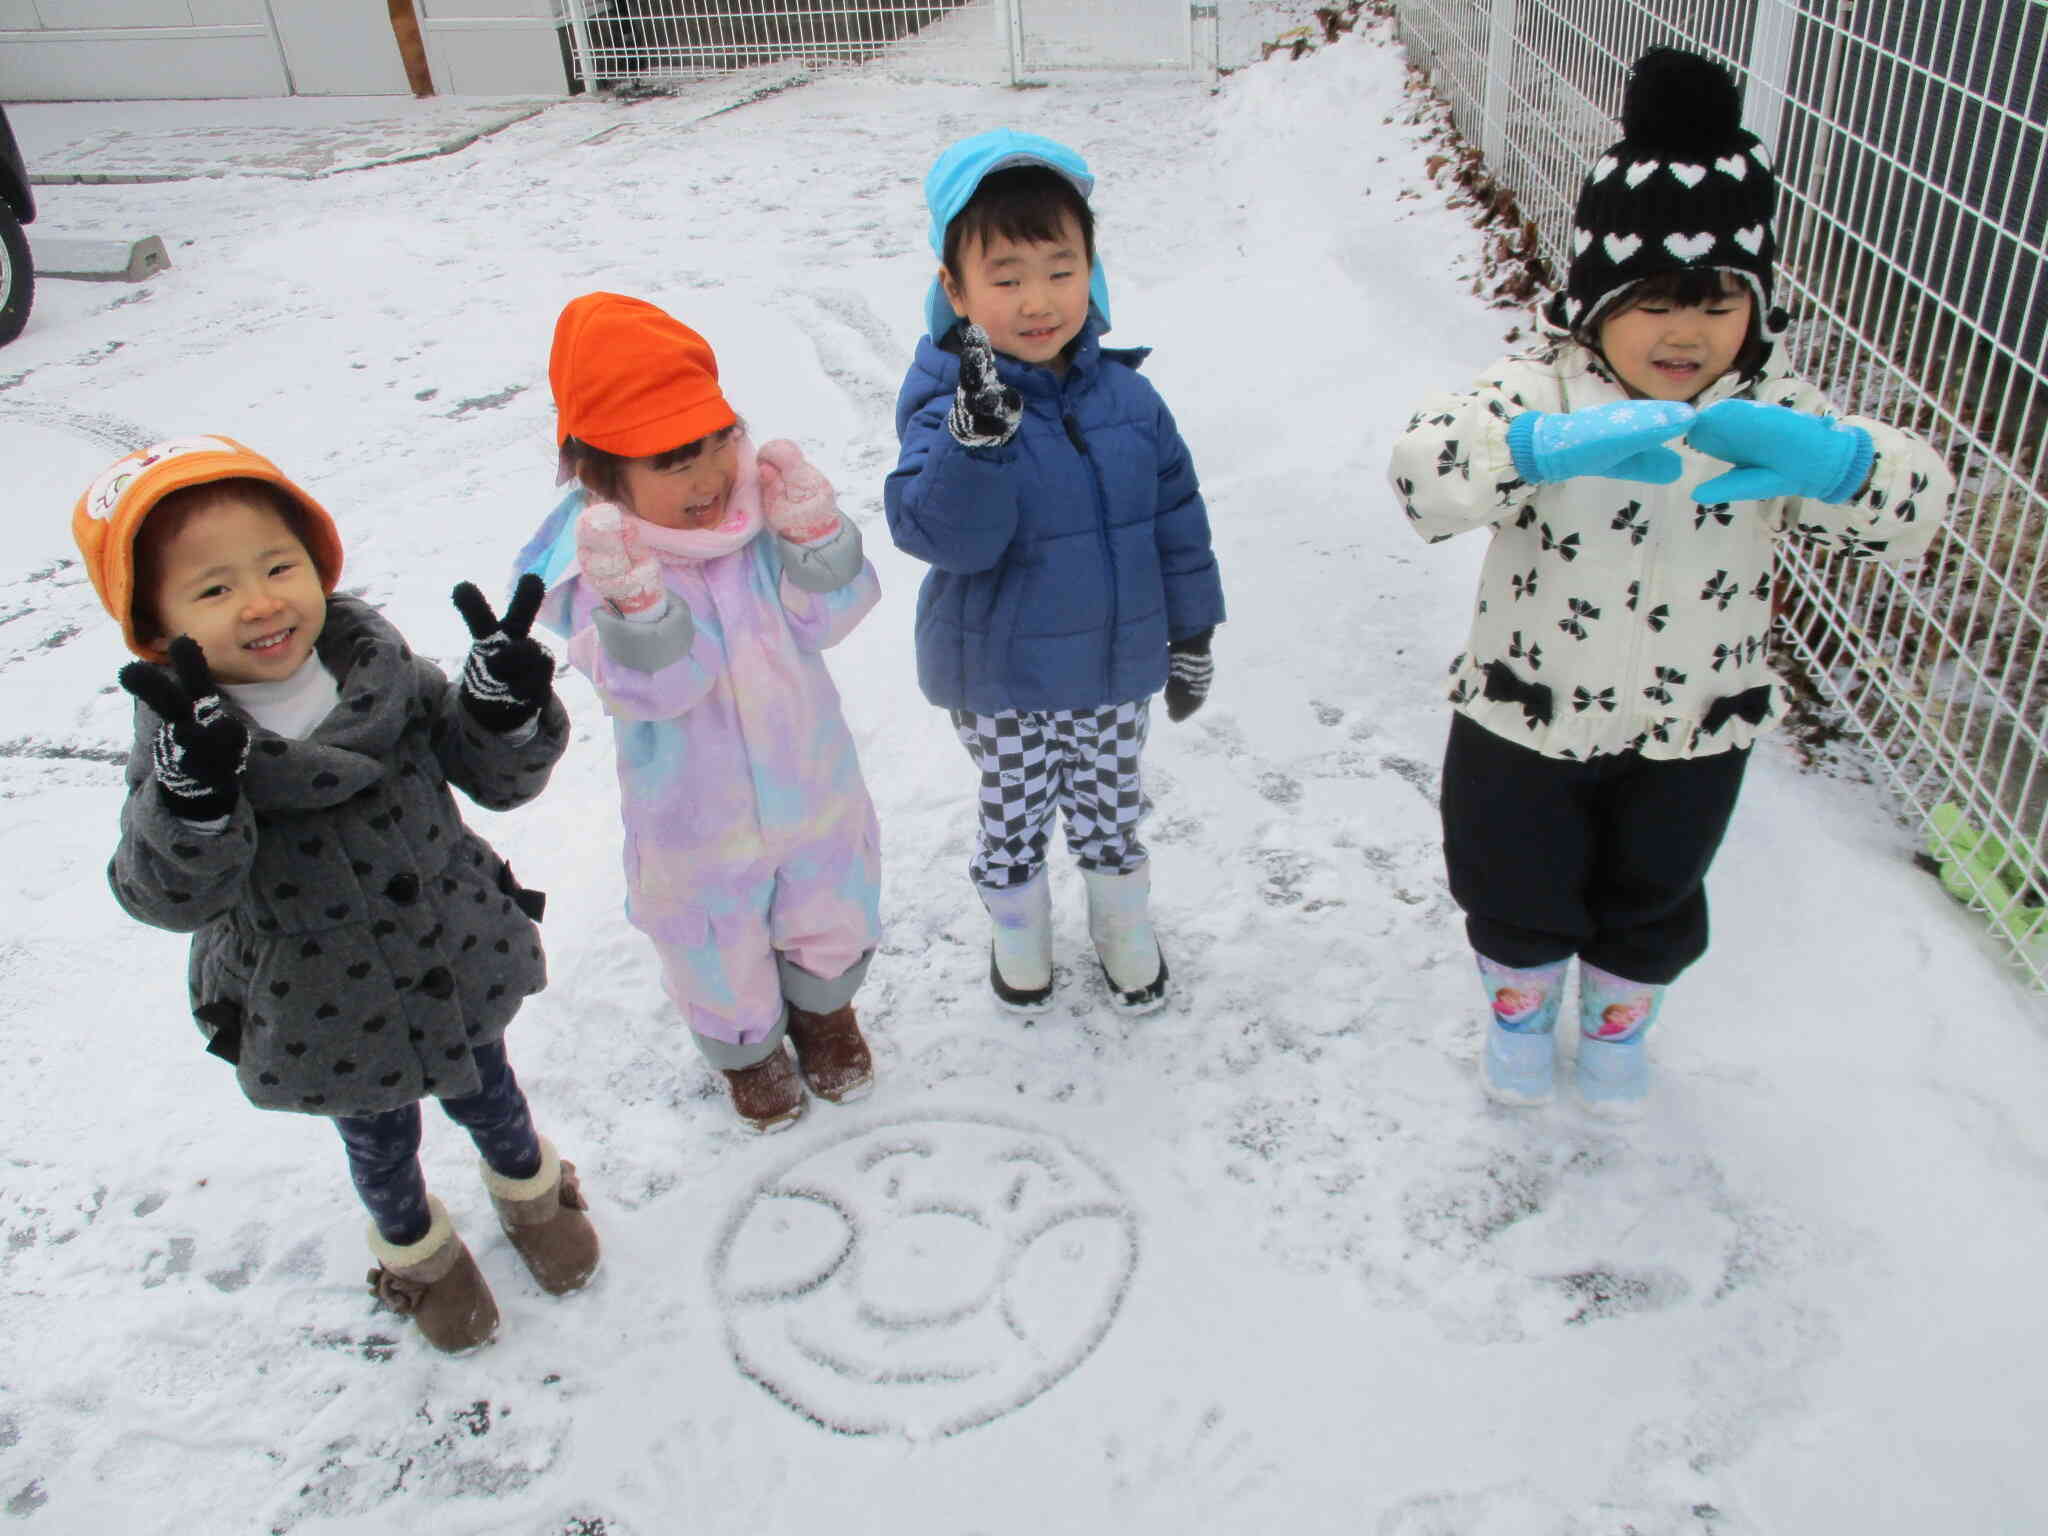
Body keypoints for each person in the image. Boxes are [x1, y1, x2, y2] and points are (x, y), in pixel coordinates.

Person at [1388, 48, 1953, 1114]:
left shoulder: (1774, 411)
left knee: (1653, 894)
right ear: (1591, 300)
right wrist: (1535, 450)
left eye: (1713, 302)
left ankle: (1613, 1039)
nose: (1683, 331)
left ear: (1756, 309)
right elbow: (1422, 475)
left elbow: (1913, 513)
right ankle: (1516, 1025)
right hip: (1526, 714)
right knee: (1510, 883)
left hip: (1694, 721)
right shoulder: (1540, 387)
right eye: (1648, 301)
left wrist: (1838, 467)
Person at [76, 435, 597, 1355]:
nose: (262, 602)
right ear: (157, 629)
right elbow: (161, 895)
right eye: (213, 590)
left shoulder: (379, 675)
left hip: (454, 954)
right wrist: (194, 805)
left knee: (491, 1092)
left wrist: (502, 712)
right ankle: (420, 1256)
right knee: (379, 1143)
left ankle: (532, 1194)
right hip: (326, 1007)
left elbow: (494, 777)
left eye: (280, 566)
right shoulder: (187, 749)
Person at [518, 292, 882, 1134]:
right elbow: (653, 690)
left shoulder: (759, 519)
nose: (712, 474)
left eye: (719, 439)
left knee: (828, 902)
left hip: (809, 782)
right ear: (601, 473)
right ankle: (748, 1050)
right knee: (714, 944)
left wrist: (814, 539)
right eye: (675, 458)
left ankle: (826, 1014)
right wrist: (641, 614)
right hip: (696, 821)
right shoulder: (597, 570)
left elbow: (829, 618)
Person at [885, 128, 1226, 1016]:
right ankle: (1019, 933)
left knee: (1112, 808)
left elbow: (1178, 522)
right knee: (1015, 814)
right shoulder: (944, 403)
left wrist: (1191, 629)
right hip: (1002, 681)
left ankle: (1122, 928)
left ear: (1091, 269)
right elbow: (940, 535)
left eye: (1059, 269)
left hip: (1115, 670)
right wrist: (976, 445)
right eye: (1004, 279)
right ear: (954, 290)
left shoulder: (1132, 399)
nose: (1037, 301)